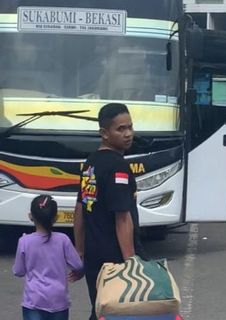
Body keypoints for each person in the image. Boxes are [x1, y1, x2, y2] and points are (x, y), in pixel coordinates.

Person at [74, 103, 142, 320]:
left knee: (101, 309)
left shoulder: (90, 163)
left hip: (94, 256)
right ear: (104, 133)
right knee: (119, 313)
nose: (128, 134)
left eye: (130, 127)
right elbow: (122, 217)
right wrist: (131, 263)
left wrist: (81, 251)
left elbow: (80, 209)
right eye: (120, 129)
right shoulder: (118, 167)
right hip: (115, 259)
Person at [13, 195, 83, 320]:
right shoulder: (63, 240)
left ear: (30, 216)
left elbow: (19, 271)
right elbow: (78, 265)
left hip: (33, 301)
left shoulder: (24, 241)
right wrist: (78, 273)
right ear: (55, 218)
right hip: (59, 300)